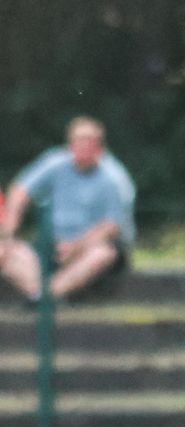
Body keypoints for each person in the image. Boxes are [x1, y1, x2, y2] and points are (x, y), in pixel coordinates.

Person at [1, 117, 137, 302]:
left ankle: (46, 297)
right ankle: (42, 295)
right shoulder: (55, 163)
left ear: (99, 148)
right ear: (70, 145)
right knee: (5, 250)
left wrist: (76, 247)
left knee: (101, 254)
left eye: (89, 145)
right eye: (79, 144)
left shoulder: (114, 177)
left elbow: (111, 226)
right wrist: (10, 229)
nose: (83, 151)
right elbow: (20, 191)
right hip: (52, 245)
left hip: (92, 246)